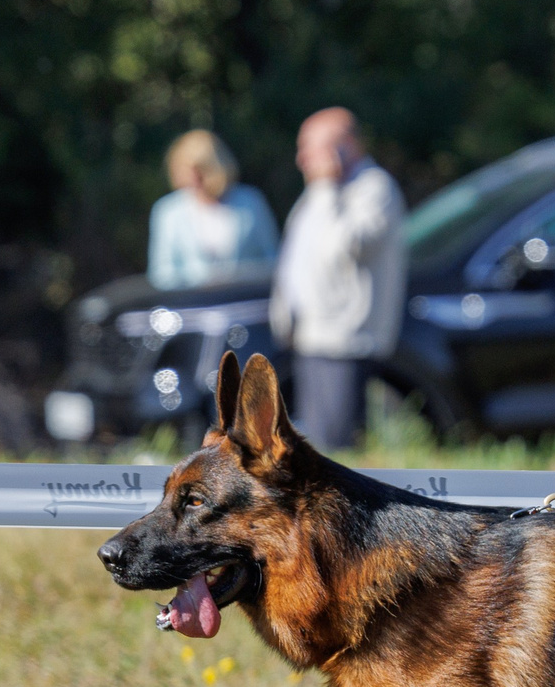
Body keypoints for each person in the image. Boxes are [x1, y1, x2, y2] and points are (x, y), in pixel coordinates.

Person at [269, 108, 405, 453]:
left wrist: (328, 186)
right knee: (314, 444)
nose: (302, 159)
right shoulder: (317, 194)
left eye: (310, 148)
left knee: (336, 450)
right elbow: (294, 258)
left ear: (344, 146)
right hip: (311, 336)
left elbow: (341, 248)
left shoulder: (375, 189)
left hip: (346, 339)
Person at [147, 130, 280, 290]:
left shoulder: (250, 201)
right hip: (193, 306)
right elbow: (161, 274)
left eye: (200, 170)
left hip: (244, 302)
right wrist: (203, 280)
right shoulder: (168, 211)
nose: (193, 177)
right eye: (186, 170)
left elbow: (272, 260)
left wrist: (238, 278)